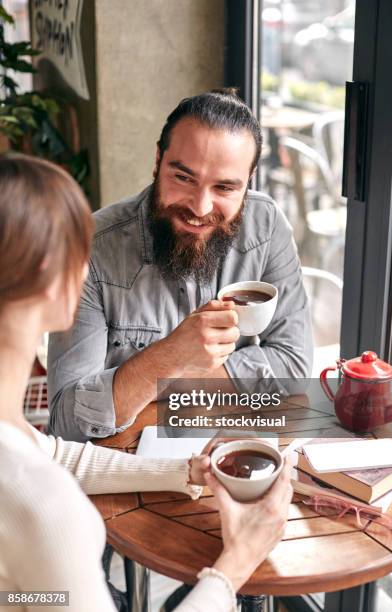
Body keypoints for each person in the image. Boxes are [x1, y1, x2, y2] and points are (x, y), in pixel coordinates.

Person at [0, 153, 293, 612]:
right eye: (81, 250)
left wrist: (179, 472)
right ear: (51, 282)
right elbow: (55, 447)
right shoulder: (43, 509)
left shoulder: (14, 439)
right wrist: (233, 567)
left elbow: (52, 452)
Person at [48, 88, 313, 443]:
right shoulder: (90, 248)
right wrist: (170, 356)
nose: (201, 208)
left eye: (224, 188)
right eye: (184, 178)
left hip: (232, 450)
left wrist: (154, 385)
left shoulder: (266, 226)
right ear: (158, 161)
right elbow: (66, 421)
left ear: (247, 184)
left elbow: (295, 366)